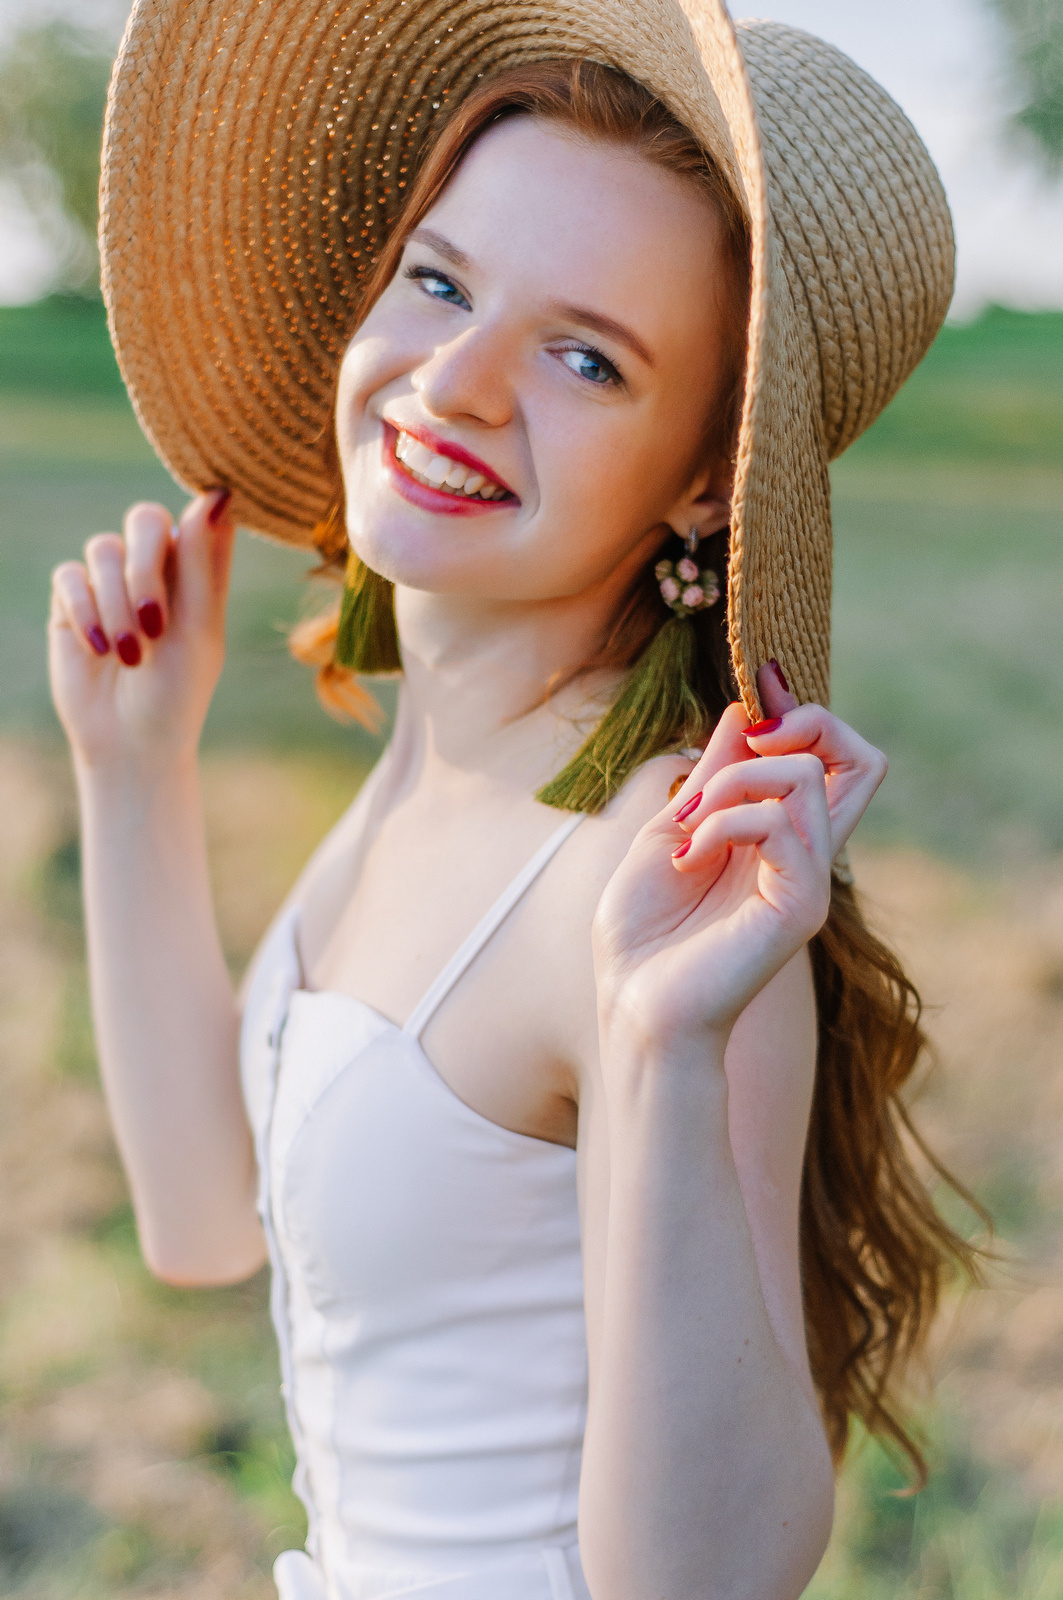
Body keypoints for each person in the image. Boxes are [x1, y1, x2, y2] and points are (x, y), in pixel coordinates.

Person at [48, 4, 977, 1598]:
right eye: (440, 280)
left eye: (585, 356)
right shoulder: (446, 764)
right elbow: (206, 1223)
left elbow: (706, 1577)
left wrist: (665, 1048)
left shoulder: (660, 875)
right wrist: (133, 771)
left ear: (706, 481)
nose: (459, 380)